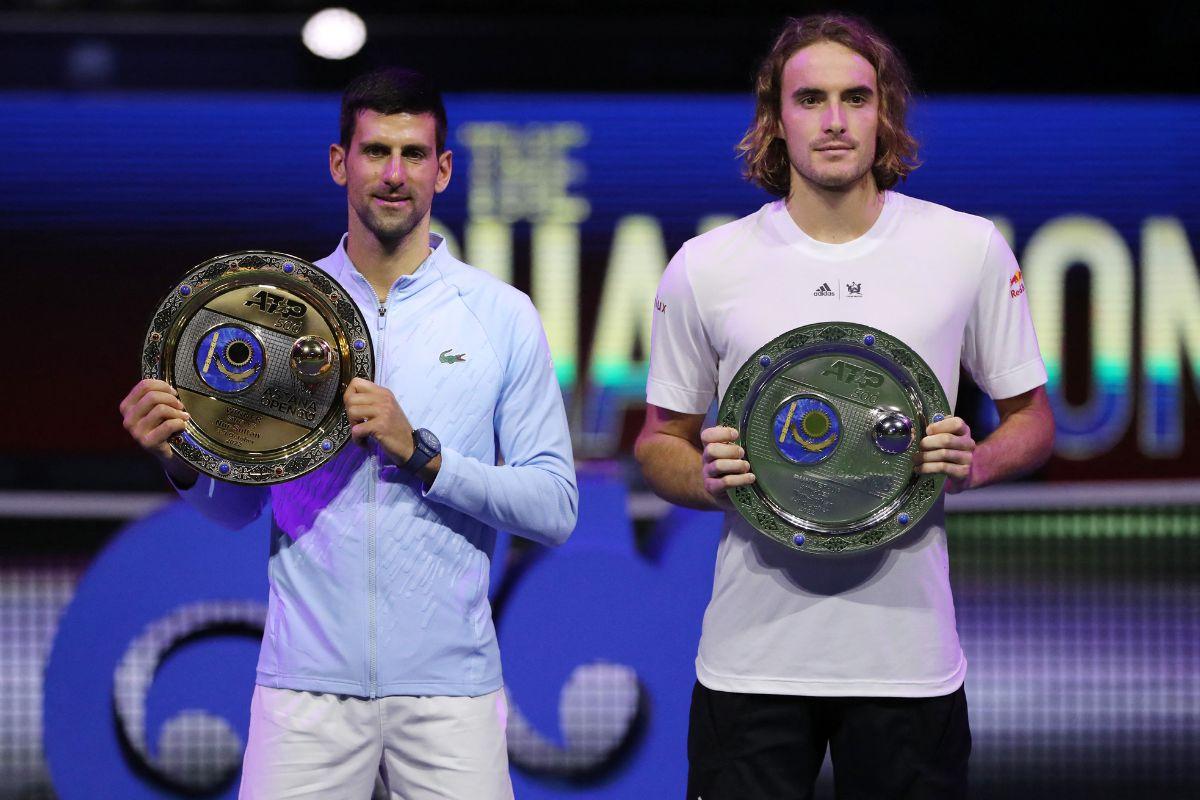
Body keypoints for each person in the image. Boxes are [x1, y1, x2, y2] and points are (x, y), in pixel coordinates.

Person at [119, 67, 578, 799]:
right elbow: (239, 508)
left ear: (444, 170)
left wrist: (422, 454)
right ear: (341, 163)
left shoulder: (500, 315)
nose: (393, 175)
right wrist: (180, 459)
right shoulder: (278, 315)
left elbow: (553, 507)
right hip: (304, 692)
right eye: (374, 152)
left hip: (450, 694)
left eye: (414, 154)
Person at [635, 13, 1054, 800]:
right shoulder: (707, 266)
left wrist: (977, 461)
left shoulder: (966, 247)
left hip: (909, 664)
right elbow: (660, 443)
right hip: (750, 661)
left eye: (856, 98)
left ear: (884, 112)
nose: (834, 121)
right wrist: (706, 478)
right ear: (776, 119)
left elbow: (1034, 420)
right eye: (811, 99)